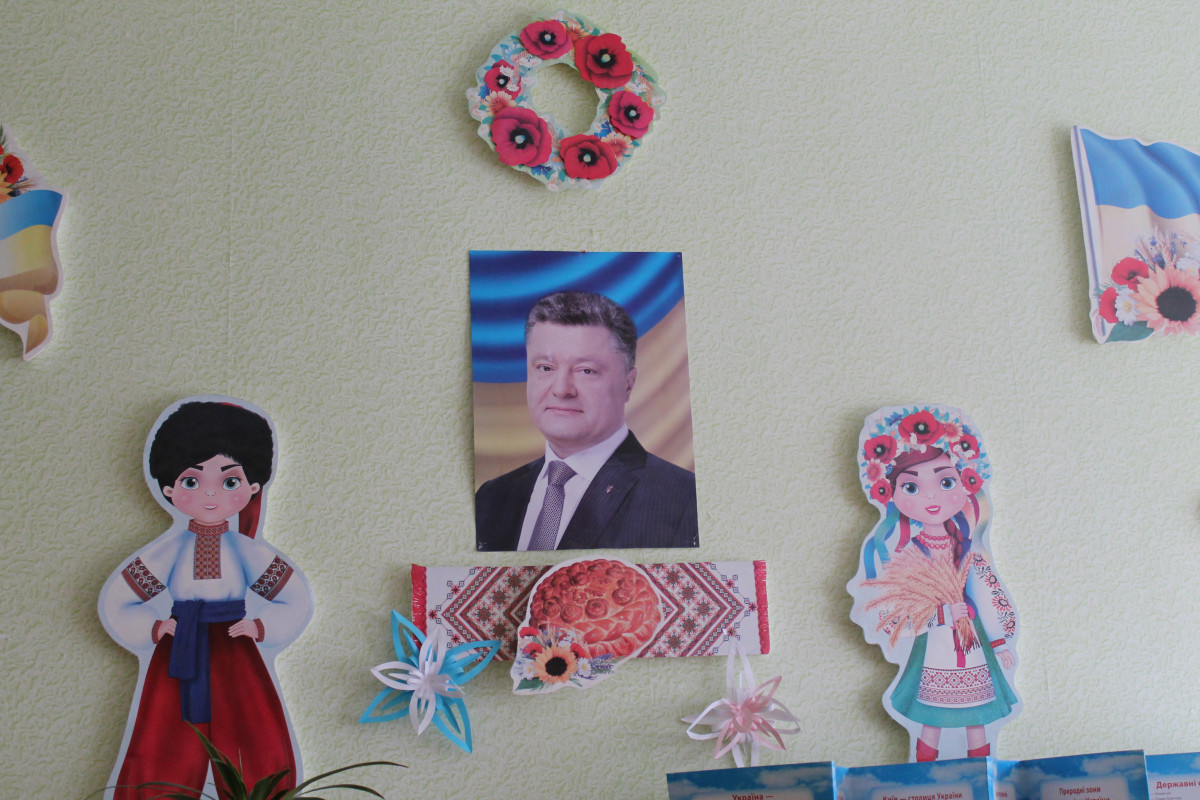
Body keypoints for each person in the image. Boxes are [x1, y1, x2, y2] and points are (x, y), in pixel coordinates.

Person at [98, 399, 313, 800]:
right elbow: (118, 599)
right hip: (180, 650)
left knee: (247, 732)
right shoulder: (170, 549)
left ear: (252, 488)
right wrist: (154, 627)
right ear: (169, 489)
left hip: (235, 647)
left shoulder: (245, 550)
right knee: (167, 737)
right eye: (192, 481)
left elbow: (294, 598)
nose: (211, 494)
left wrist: (260, 626)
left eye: (229, 482)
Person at [848, 406, 1019, 762]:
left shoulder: (969, 548)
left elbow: (985, 595)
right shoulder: (906, 553)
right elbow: (896, 608)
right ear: (890, 492)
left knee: (977, 718)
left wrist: (999, 640)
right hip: (935, 645)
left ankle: (980, 775)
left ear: (966, 483)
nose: (930, 497)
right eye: (911, 486)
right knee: (930, 720)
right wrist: (941, 614)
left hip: (973, 646)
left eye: (945, 482)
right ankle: (924, 776)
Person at [475, 291, 698, 550]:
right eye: (545, 368)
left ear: (628, 384)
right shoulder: (491, 497)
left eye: (586, 371)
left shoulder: (683, 499)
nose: (562, 389)